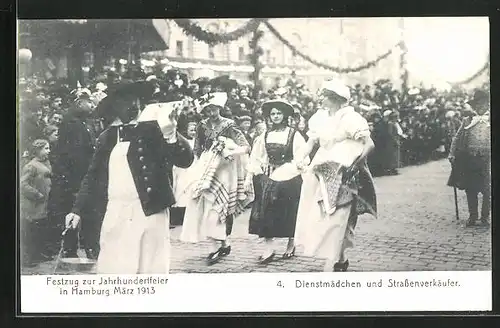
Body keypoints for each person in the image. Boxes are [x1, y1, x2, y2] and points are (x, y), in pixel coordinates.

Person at [65, 80, 194, 274]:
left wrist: (171, 134)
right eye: (125, 100)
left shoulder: (154, 130)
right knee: (115, 265)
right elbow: (92, 176)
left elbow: (185, 160)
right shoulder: (108, 136)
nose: (132, 105)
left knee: (150, 266)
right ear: (115, 105)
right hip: (116, 210)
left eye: (135, 100)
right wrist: (77, 209)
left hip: (150, 209)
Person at [293, 79, 377, 272]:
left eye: (325, 96)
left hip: (344, 171)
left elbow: (369, 144)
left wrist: (356, 164)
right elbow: (311, 143)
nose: (321, 99)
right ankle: (340, 258)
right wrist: (300, 157)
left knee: (338, 215)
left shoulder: (350, 118)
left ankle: (330, 263)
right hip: (321, 169)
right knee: (322, 214)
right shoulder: (319, 118)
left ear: (336, 99)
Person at [180, 92, 254, 265]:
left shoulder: (229, 125)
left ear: (220, 108)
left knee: (217, 205)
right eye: (208, 109)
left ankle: (218, 244)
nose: (211, 112)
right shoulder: (201, 125)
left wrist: (229, 150)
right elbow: (197, 148)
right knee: (202, 202)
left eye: (214, 108)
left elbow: (246, 147)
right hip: (206, 166)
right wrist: (197, 167)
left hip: (224, 169)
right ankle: (219, 244)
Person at [247, 99, 307, 263]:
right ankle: (269, 248)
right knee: (266, 213)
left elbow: (301, 157)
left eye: (279, 113)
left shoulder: (294, 135)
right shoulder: (264, 136)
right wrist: (258, 172)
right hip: (269, 179)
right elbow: (257, 157)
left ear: (285, 115)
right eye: (273, 113)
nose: (275, 116)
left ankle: (291, 244)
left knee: (289, 212)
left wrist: (289, 170)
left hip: (290, 178)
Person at [48, 97, 98, 259]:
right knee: (73, 211)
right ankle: (73, 248)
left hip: (81, 175)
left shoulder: (84, 123)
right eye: (88, 102)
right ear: (78, 104)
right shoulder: (71, 123)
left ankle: (85, 246)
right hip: (74, 177)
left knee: (84, 212)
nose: (92, 106)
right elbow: (74, 154)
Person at [447, 89, 491, 227]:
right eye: (477, 104)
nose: (480, 107)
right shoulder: (467, 120)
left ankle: (485, 217)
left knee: (487, 190)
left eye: (482, 104)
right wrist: (452, 153)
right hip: (471, 159)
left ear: (487, 104)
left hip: (488, 160)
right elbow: (457, 138)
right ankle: (473, 216)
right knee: (471, 189)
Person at [20, 139, 52, 267]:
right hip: (34, 204)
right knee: (31, 229)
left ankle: (37, 254)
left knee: (39, 228)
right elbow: (23, 184)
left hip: (43, 203)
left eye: (49, 148)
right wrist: (36, 194)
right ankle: (28, 258)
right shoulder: (31, 166)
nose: (49, 151)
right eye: (46, 148)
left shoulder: (46, 163)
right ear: (37, 150)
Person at [170, 120, 198, 227]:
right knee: (182, 188)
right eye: (191, 130)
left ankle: (192, 214)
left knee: (193, 188)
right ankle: (179, 214)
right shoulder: (184, 141)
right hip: (184, 168)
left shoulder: (198, 142)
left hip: (195, 166)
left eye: (195, 130)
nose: (193, 132)